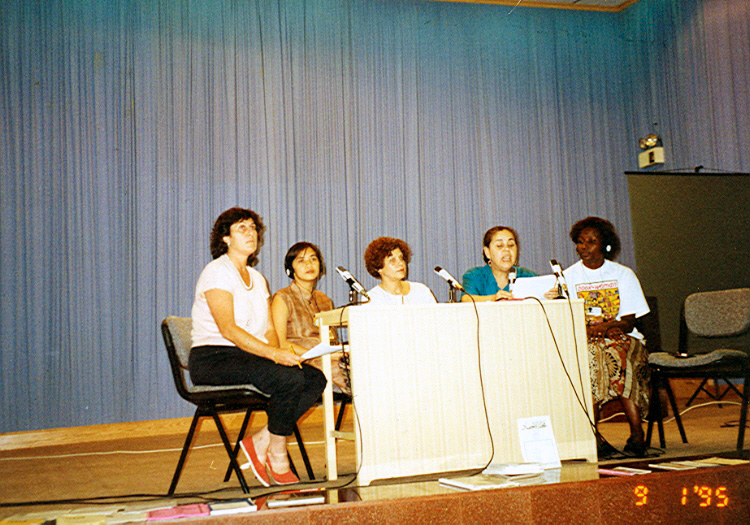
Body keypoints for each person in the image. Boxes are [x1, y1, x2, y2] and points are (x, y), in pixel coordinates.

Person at [189, 208, 326, 487]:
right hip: (213, 357)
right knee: (289, 378)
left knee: (315, 378)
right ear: (225, 238)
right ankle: (277, 454)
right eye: (242, 228)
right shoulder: (216, 272)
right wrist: (276, 355)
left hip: (247, 355)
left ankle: (261, 439)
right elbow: (229, 330)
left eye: (253, 228)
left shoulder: (258, 278)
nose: (251, 233)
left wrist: (281, 354)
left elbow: (269, 330)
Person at [559, 216, 651, 457]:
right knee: (595, 355)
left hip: (624, 338)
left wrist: (606, 327)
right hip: (586, 341)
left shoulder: (623, 274)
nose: (584, 247)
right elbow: (566, 319)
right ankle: (594, 435)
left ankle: (636, 433)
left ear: (605, 245)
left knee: (619, 352)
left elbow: (630, 321)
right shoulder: (568, 277)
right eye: (580, 242)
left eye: (591, 241)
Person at [271, 242, 349, 394]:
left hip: (331, 359)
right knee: (360, 377)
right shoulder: (282, 298)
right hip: (304, 361)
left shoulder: (324, 299)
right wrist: (321, 354)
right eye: (301, 260)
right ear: (290, 270)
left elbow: (332, 338)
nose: (309, 264)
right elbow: (280, 343)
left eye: (313, 259)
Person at [461, 226, 537, 301]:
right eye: (499, 246)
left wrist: (547, 297)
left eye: (511, 245)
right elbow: (466, 299)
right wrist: (494, 298)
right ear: (487, 252)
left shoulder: (528, 276)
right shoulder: (474, 276)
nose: (507, 250)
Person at [363, 236, 437, 305]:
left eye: (401, 258)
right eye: (392, 260)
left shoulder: (421, 291)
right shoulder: (371, 299)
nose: (400, 263)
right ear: (378, 268)